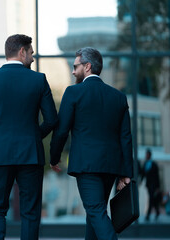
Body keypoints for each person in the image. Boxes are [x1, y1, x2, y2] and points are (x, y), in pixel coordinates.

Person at [0, 34, 58, 240]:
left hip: (0, 154)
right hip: (31, 155)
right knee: (30, 213)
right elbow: (52, 120)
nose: (33, 58)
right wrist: (34, 137)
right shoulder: (39, 80)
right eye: (31, 53)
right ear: (22, 52)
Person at [50, 47, 133, 240]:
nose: (72, 71)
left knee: (96, 212)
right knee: (95, 213)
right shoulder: (118, 97)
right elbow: (126, 137)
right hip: (110, 166)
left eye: (75, 66)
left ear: (87, 67)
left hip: (87, 165)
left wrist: (54, 158)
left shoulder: (73, 92)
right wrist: (126, 173)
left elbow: (62, 131)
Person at [140, 149, 161, 221]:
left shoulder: (154, 164)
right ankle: (157, 211)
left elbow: (157, 176)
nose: (146, 156)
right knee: (152, 198)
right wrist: (140, 181)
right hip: (148, 184)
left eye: (147, 154)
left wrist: (158, 187)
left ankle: (148, 215)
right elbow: (143, 173)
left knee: (151, 198)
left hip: (154, 184)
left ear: (150, 155)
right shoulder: (145, 163)